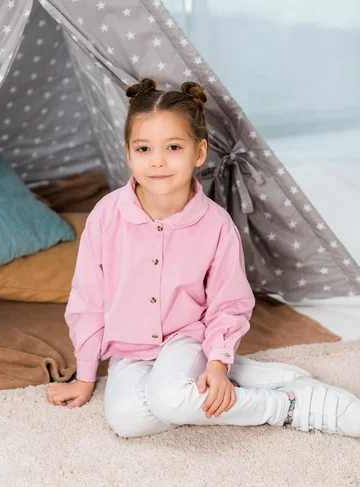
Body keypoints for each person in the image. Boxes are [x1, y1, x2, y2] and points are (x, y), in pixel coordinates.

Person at [46, 78, 360, 439]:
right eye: (144, 149)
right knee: (127, 421)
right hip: (130, 351)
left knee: (168, 401)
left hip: (187, 337)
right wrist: (86, 377)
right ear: (128, 154)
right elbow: (88, 298)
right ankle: (248, 374)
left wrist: (216, 362)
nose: (158, 161)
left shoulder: (215, 225)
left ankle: (290, 405)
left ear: (199, 152)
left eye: (173, 147)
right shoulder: (106, 216)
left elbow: (228, 303)